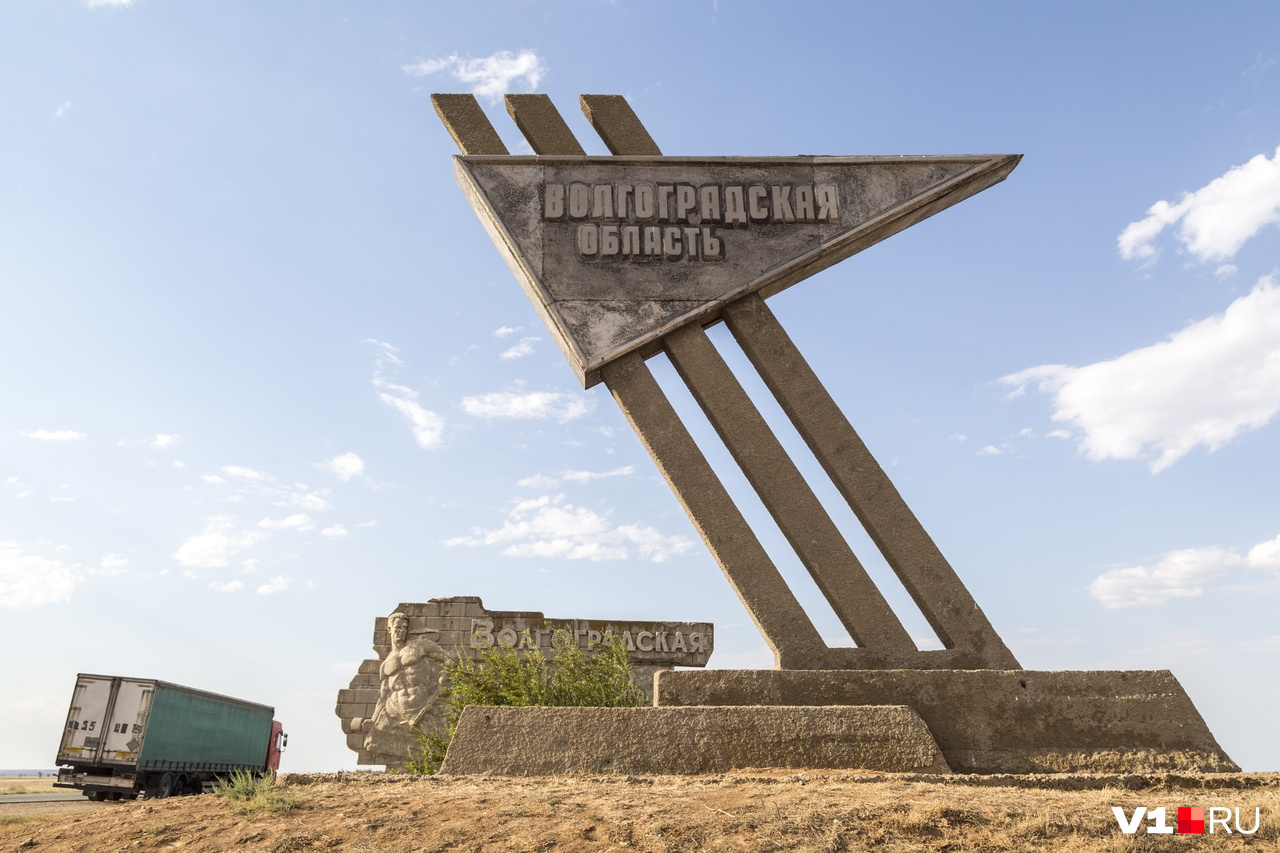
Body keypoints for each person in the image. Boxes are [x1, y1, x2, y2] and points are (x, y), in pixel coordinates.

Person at [362, 611, 448, 767]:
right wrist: (373, 719)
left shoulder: (420, 646)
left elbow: (450, 659)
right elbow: (383, 696)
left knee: (432, 746)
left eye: (404, 627)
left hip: (420, 705)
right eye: (398, 627)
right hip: (394, 710)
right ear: (389, 629)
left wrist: (443, 680)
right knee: (373, 742)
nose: (401, 631)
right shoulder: (386, 665)